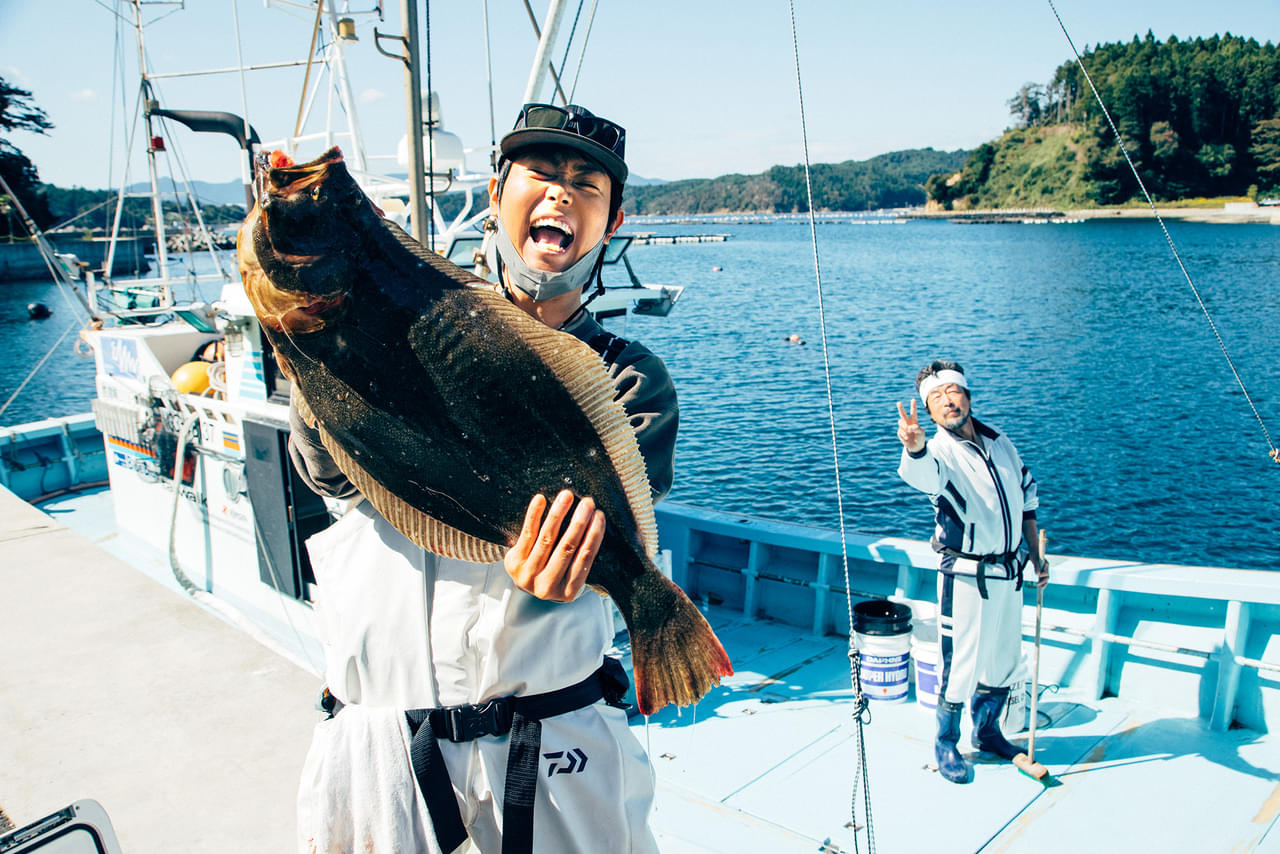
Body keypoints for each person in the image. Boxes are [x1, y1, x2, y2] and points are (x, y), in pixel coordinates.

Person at [288, 103, 675, 853]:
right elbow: (328, 478)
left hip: (551, 736)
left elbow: (616, 525)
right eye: (541, 173)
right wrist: (316, 348)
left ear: (613, 219)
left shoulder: (628, 378)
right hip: (377, 738)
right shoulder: (392, 321)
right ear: (496, 195)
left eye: (585, 184)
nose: (561, 193)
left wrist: (586, 571)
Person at [895, 360, 1047, 784]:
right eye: (936, 398)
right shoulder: (938, 451)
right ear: (929, 410)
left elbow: (1027, 495)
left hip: (1010, 572)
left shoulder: (1001, 442)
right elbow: (925, 477)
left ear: (967, 395)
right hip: (966, 576)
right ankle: (946, 742)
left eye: (952, 392)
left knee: (1003, 660)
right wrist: (914, 447)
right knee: (959, 663)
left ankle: (988, 732)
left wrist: (1035, 554)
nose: (947, 402)